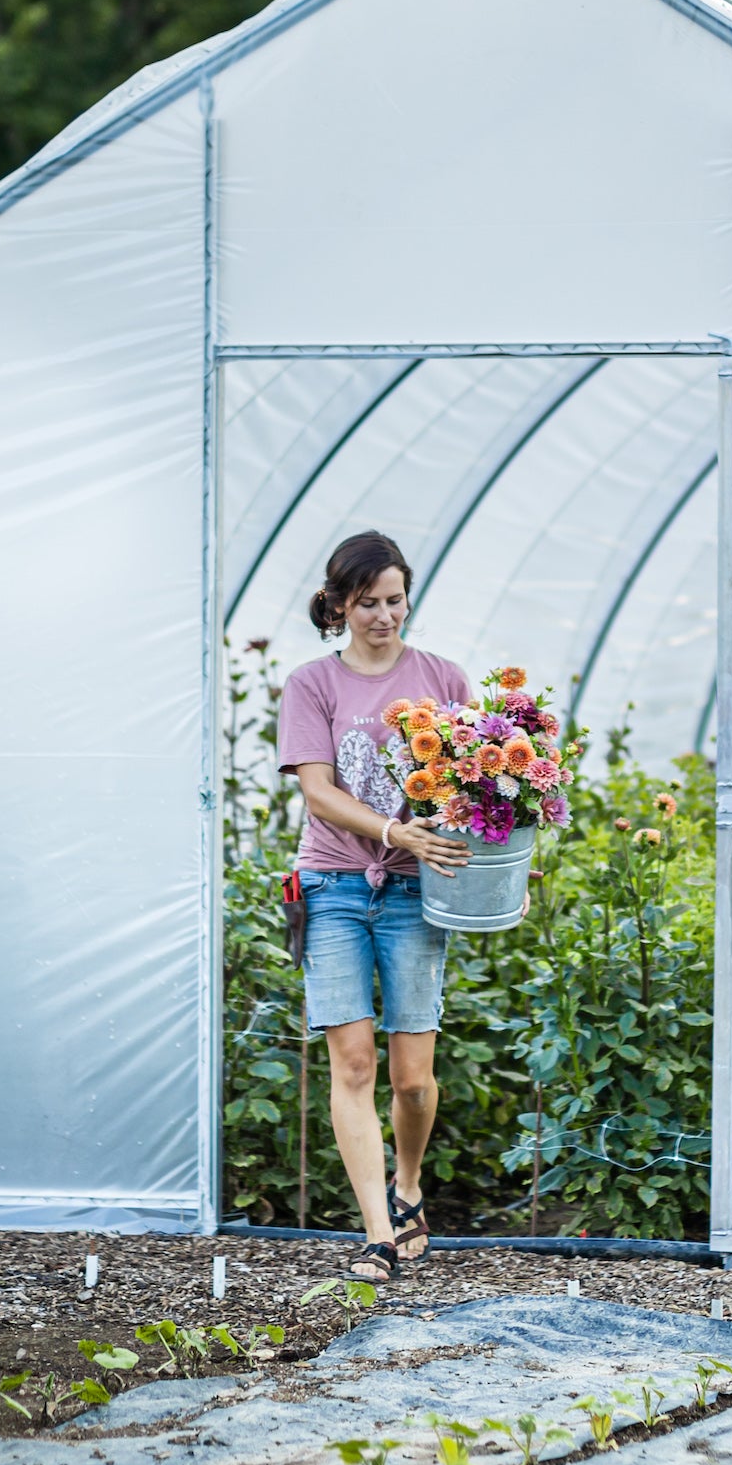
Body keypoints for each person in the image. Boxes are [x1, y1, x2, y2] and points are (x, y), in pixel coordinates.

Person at [276, 530, 469, 1285]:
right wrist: (395, 832)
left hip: (416, 892)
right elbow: (318, 792)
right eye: (367, 603)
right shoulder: (312, 684)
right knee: (351, 1063)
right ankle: (377, 1235)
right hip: (331, 885)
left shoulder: (442, 679)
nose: (384, 616)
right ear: (339, 605)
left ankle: (410, 1188)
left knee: (411, 1078)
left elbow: (472, 789)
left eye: (394, 601)